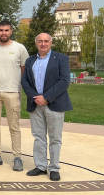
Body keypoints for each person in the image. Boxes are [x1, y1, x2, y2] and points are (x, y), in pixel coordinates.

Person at [21, 33, 72, 182]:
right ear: (36, 43)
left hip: (54, 104)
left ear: (51, 42)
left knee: (55, 138)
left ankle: (54, 168)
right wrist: (35, 97)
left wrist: (46, 97)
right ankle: (41, 166)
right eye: (40, 41)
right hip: (35, 104)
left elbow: (64, 81)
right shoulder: (30, 60)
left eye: (46, 41)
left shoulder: (61, 59)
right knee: (39, 137)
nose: (43, 44)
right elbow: (24, 81)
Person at [0, 20, 30, 171]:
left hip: (13, 91)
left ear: (11, 31)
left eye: (6, 30)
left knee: (14, 126)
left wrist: (21, 88)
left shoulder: (19, 48)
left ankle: (17, 157)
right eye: (1, 30)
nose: (3, 33)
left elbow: (24, 70)